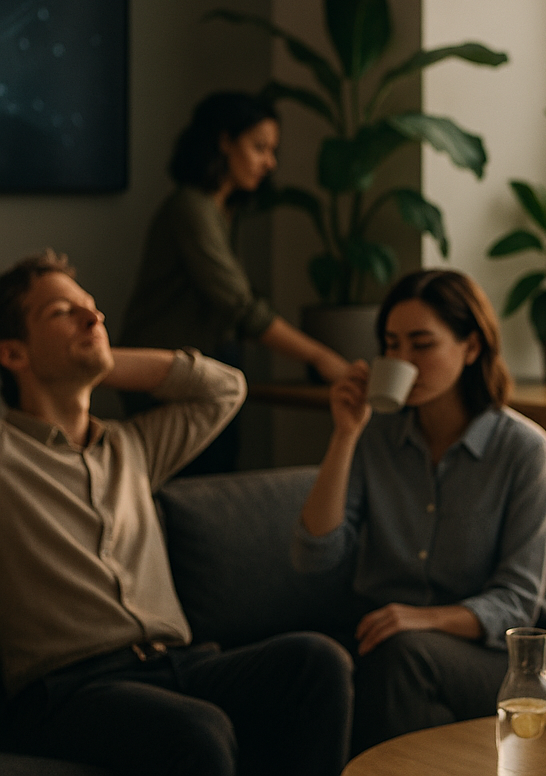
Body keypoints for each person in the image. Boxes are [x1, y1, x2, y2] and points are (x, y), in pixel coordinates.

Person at [0, 250, 352, 776]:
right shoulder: (7, 453)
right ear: (12, 352)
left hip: (180, 663)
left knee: (318, 662)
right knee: (199, 732)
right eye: (62, 313)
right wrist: (79, 355)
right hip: (69, 688)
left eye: (90, 307)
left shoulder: (132, 447)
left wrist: (96, 357)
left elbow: (225, 388)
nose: (93, 317)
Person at [292, 268, 546, 754]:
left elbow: (517, 601)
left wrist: (424, 618)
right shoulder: (374, 436)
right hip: (380, 637)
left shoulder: (524, 451)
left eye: (421, 345)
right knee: (316, 660)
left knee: (403, 656)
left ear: (471, 347)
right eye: (391, 346)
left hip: (483, 652)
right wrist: (345, 434)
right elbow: (315, 555)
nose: (402, 361)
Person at [120, 92, 349, 472]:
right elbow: (241, 307)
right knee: (194, 490)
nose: (270, 163)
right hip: (170, 374)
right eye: (259, 147)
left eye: (272, 150)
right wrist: (321, 357)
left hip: (201, 369)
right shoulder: (191, 208)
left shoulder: (220, 211)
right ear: (225, 141)